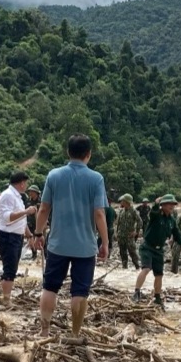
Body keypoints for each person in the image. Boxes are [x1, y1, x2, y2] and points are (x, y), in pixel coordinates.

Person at [35, 134, 108, 338]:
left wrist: (38, 233)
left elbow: (44, 209)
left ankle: (45, 330)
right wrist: (105, 242)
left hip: (58, 244)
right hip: (85, 247)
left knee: (50, 287)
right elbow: (99, 214)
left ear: (68, 152)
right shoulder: (96, 178)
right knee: (80, 291)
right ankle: (75, 334)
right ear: (88, 154)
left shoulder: (54, 176)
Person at [0, 171, 36, 309]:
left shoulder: (17, 196)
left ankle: (6, 297)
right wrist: (26, 211)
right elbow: (8, 217)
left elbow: (21, 221)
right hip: (8, 236)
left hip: (16, 236)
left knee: (12, 267)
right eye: (25, 183)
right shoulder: (8, 195)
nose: (26, 186)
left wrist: (29, 235)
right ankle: (6, 299)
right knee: (10, 269)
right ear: (21, 183)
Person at [133, 195, 181, 308]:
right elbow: (153, 212)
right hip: (147, 247)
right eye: (169, 204)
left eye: (173, 204)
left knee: (159, 274)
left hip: (159, 250)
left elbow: (177, 233)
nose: (171, 206)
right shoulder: (156, 215)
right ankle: (136, 292)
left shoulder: (171, 220)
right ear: (163, 205)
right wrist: (155, 204)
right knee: (146, 268)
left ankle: (158, 297)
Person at [114, 193, 141, 269]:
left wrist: (136, 232)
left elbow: (140, 222)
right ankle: (124, 266)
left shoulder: (133, 211)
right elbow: (118, 223)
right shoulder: (122, 211)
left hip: (129, 236)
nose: (121, 202)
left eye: (122, 201)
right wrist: (117, 233)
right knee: (122, 252)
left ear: (126, 201)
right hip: (121, 236)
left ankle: (137, 267)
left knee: (132, 252)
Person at [25, 184, 42, 259]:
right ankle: (34, 253)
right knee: (31, 238)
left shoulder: (41, 202)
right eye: (30, 192)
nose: (30, 193)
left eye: (32, 192)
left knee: (40, 238)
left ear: (36, 193)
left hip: (39, 223)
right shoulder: (28, 201)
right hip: (30, 222)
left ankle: (44, 254)